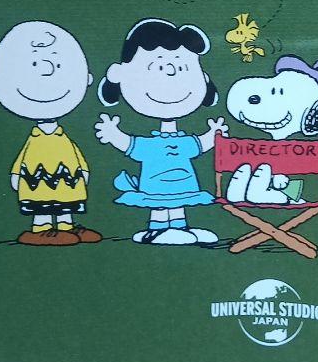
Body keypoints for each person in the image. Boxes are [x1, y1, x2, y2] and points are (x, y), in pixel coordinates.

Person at [94, 18, 226, 245]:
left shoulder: (184, 142)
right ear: (121, 75)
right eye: (159, 67)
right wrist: (112, 134)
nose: (171, 75)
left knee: (177, 205)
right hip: (155, 185)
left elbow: (199, 145)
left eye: (183, 68)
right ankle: (155, 230)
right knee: (159, 205)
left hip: (183, 184)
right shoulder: (150, 145)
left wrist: (214, 134)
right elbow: (131, 146)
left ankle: (180, 228)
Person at [0, 21, 102, 246]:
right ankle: (41, 228)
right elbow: (23, 158)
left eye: (57, 63)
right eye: (34, 63)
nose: (47, 69)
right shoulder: (35, 141)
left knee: (66, 204)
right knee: (42, 204)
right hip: (36, 181)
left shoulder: (63, 138)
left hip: (68, 181)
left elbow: (75, 155)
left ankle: (67, 226)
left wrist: (83, 171)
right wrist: (16, 175)